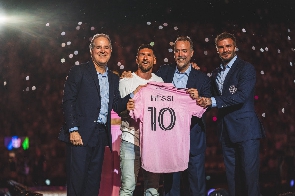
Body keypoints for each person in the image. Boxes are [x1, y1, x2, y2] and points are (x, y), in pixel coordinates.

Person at [58, 33, 141, 196]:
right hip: (79, 135)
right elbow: (68, 101)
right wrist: (73, 129)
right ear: (91, 50)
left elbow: (116, 104)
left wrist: (132, 95)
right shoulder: (78, 71)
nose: (102, 51)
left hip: (101, 135)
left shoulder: (113, 78)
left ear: (110, 51)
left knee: (92, 185)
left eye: (106, 47)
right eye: (98, 47)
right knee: (77, 185)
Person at [196, 32, 265, 196]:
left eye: (228, 46)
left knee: (249, 180)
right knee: (233, 181)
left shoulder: (245, 68)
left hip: (246, 131)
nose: (225, 49)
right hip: (226, 132)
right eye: (221, 47)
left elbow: (241, 97)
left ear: (235, 48)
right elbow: (210, 94)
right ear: (217, 49)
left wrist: (212, 102)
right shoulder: (215, 73)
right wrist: (196, 73)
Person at [156, 36, 211, 196]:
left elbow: (207, 103)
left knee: (197, 189)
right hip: (169, 142)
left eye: (184, 51)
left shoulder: (202, 79)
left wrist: (198, 97)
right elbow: (148, 85)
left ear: (191, 53)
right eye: (177, 51)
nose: (181, 54)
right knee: (171, 189)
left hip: (193, 142)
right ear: (174, 54)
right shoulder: (163, 73)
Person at [119, 44, 163, 196]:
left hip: (153, 143)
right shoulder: (125, 81)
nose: (145, 58)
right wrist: (126, 108)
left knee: (152, 188)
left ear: (154, 60)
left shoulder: (160, 82)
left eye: (149, 55)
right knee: (127, 187)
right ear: (137, 59)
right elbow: (117, 109)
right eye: (142, 55)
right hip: (130, 140)